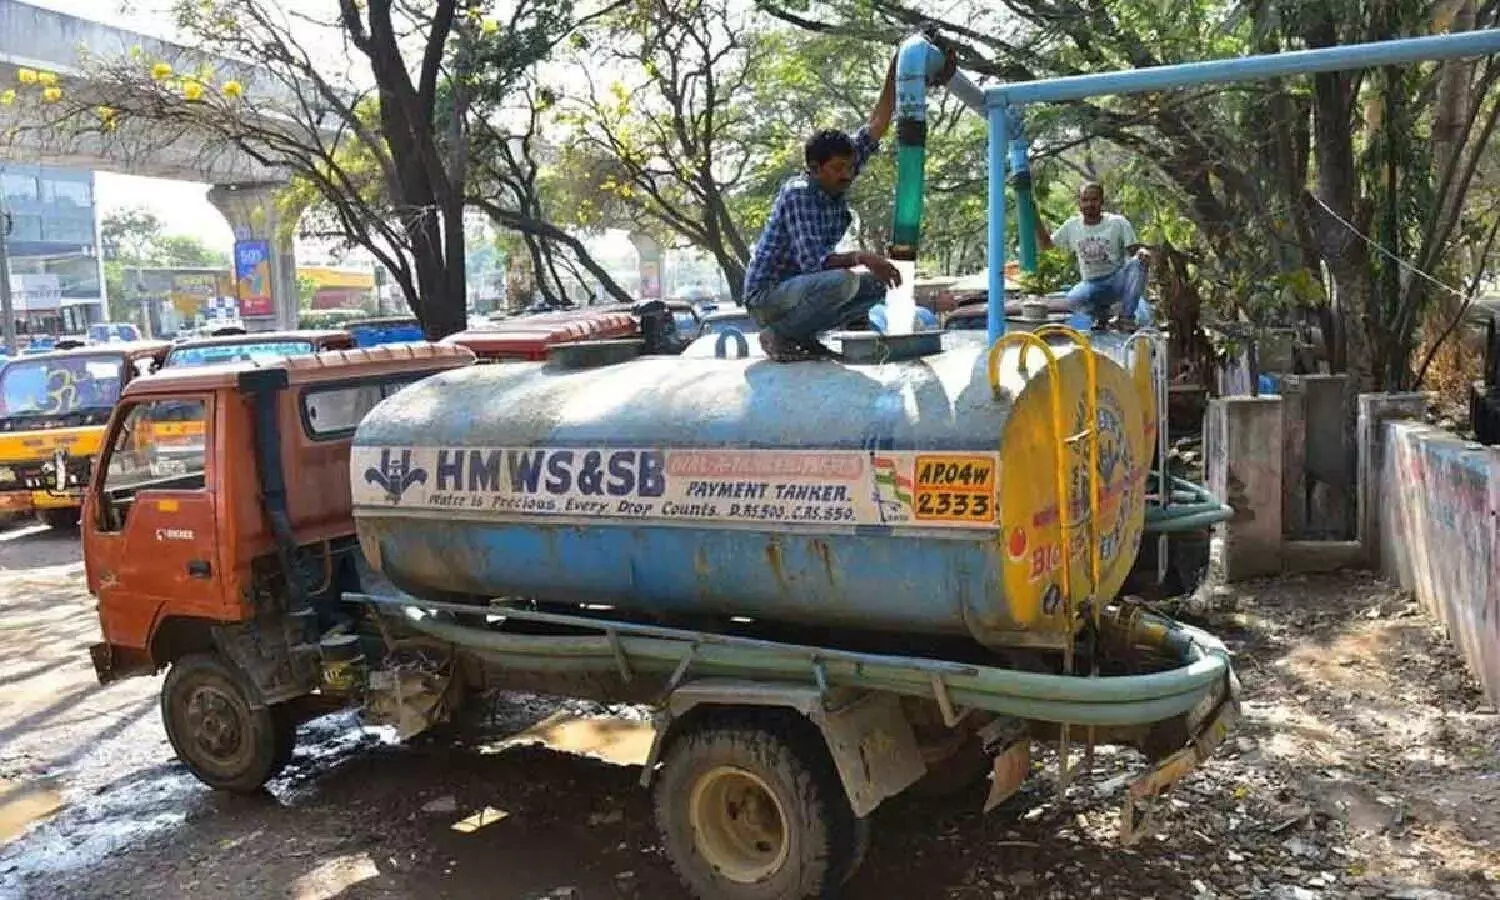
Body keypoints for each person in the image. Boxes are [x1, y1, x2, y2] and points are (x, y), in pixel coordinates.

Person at [742, 50, 954, 361]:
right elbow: (814, 264)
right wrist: (863, 257)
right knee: (842, 282)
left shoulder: (842, 168)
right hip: (768, 296)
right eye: (838, 168)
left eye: (850, 166)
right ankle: (779, 335)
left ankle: (812, 335)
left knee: (880, 283)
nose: (848, 174)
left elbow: (878, 123)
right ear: (815, 168)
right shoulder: (800, 195)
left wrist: (899, 65)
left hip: (802, 290)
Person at [1034, 182, 1153, 328]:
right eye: (1085, 200)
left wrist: (1143, 253)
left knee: (1139, 263)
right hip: (1091, 284)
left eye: (1094, 200)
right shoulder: (1072, 225)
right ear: (1079, 203)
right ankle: (1102, 315)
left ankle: (1126, 318)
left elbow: (1135, 252)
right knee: (1073, 299)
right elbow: (1046, 245)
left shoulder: (1118, 223)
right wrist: (1034, 217)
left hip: (1117, 280)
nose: (1089, 204)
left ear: (1102, 201)